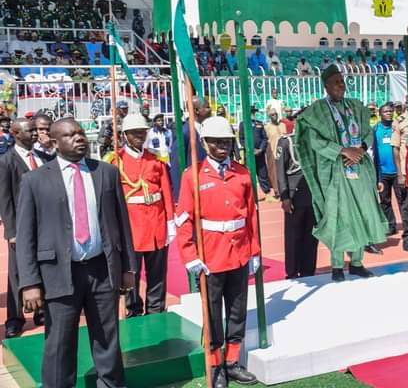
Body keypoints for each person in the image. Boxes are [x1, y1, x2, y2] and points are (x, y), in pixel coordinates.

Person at [16, 118, 137, 387]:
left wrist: (128, 268)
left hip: (102, 270)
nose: (79, 138)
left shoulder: (106, 173)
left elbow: (122, 223)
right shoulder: (34, 181)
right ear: (55, 143)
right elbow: (25, 236)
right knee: (59, 342)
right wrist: (30, 282)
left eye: (81, 133)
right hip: (58, 272)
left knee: (107, 338)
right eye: (70, 135)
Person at [175, 116, 259, 387]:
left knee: (237, 310)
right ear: (204, 143)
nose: (222, 146)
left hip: (239, 253)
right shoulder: (193, 175)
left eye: (226, 141)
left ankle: (232, 361)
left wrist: (255, 251)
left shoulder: (243, 172)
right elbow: (184, 219)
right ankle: (215, 364)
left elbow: (252, 215)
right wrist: (190, 256)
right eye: (215, 141)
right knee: (212, 314)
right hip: (209, 256)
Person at [295, 64, 386, 281]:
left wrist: (360, 150)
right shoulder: (317, 110)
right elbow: (314, 141)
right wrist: (343, 151)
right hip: (335, 172)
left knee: (362, 213)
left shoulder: (356, 107)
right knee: (339, 217)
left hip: (359, 169)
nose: (340, 85)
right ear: (325, 86)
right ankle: (336, 266)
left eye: (342, 81)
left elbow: (366, 133)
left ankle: (356, 263)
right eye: (335, 82)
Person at [106, 114, 175, 318]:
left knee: (158, 274)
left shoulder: (156, 159)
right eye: (134, 133)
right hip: (131, 225)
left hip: (156, 222)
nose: (139, 136)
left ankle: (156, 310)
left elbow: (166, 192)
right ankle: (133, 309)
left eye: (142, 132)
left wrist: (170, 220)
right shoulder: (115, 161)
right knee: (131, 273)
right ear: (125, 135)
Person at [0, 119, 49, 338]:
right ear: (16, 134)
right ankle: (15, 318)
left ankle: (41, 310)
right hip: (20, 226)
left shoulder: (43, 157)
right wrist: (11, 231)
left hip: (46, 224)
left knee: (45, 266)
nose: (34, 134)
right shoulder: (6, 161)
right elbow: (4, 198)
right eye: (29, 131)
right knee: (17, 273)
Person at [276, 121, 318, 279]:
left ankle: (308, 270)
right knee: (293, 238)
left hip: (313, 197)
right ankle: (292, 271)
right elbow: (280, 172)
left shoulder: (315, 141)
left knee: (311, 236)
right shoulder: (287, 141)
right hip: (294, 197)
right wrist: (285, 197)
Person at [169, 96, 211, 200]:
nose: (210, 110)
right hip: (192, 189)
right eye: (207, 107)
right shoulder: (185, 133)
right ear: (196, 110)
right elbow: (176, 167)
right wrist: (180, 197)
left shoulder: (205, 129)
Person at [374, 103, 402, 236]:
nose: (389, 113)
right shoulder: (375, 130)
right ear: (380, 114)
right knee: (385, 201)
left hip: (398, 172)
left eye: (391, 111)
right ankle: (390, 225)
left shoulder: (397, 128)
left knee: (403, 200)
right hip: (382, 173)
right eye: (385, 112)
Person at [391, 101, 408, 252]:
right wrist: (399, 173)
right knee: (407, 206)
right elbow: (395, 148)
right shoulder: (399, 122)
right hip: (406, 172)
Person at [239, 106, 274, 201]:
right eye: (250, 112)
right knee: (249, 175)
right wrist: (250, 149)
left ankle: (268, 194)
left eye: (253, 112)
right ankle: (250, 196)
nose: (252, 114)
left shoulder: (259, 123)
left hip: (260, 154)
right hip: (249, 155)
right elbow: (241, 139)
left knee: (263, 174)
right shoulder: (242, 124)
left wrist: (261, 149)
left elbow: (264, 138)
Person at [264, 108, 287, 198]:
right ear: (269, 116)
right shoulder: (267, 127)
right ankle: (277, 191)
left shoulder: (283, 125)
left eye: (275, 114)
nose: (274, 116)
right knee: (274, 173)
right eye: (272, 115)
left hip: (284, 152)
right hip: (273, 152)